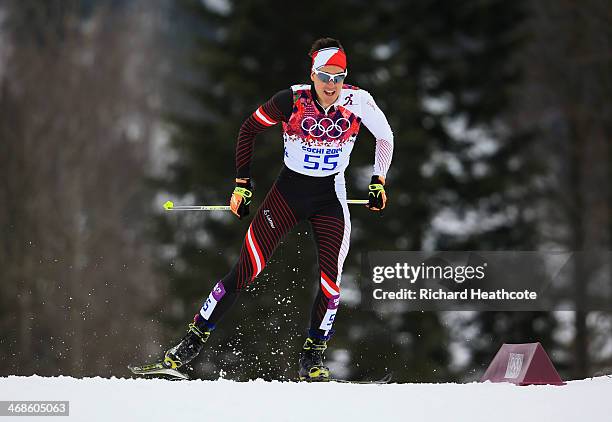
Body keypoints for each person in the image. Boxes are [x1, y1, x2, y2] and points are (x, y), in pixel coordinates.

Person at [162, 37, 394, 381]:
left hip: (331, 195)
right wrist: (242, 184)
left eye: (338, 77)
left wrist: (378, 180)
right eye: (325, 76)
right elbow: (248, 129)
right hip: (288, 193)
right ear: (312, 74)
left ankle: (311, 358)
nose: (331, 85)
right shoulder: (291, 100)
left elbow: (385, 136)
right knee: (247, 269)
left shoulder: (358, 100)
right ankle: (190, 343)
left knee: (331, 284)